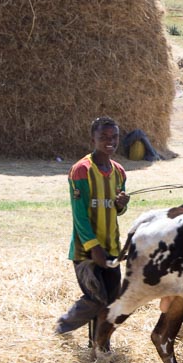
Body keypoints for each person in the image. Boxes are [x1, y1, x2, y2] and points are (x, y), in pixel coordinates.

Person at [55, 117, 130, 343]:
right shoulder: (81, 171)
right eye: (103, 137)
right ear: (93, 139)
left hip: (111, 246)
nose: (110, 142)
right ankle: (63, 326)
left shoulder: (119, 172)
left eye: (114, 137)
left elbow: (117, 212)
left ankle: (98, 345)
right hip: (86, 251)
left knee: (111, 301)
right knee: (96, 298)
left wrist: (121, 204)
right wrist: (94, 247)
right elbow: (79, 215)